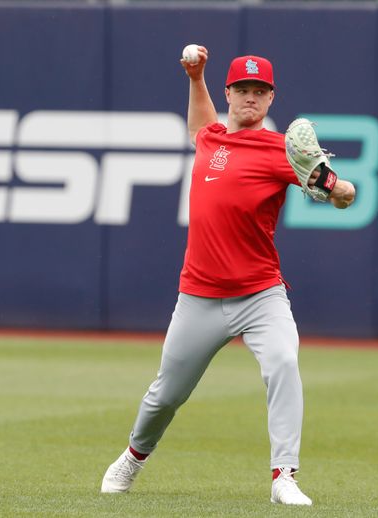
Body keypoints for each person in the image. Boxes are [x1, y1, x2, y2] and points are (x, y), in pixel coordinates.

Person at [100, 46, 356, 506]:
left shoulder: (283, 151)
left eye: (260, 90)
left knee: (283, 363)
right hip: (199, 296)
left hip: (260, 294)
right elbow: (199, 124)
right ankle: (133, 458)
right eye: (242, 89)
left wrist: (334, 186)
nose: (250, 97)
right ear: (230, 93)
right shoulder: (211, 138)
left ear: (271, 98)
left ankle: (284, 477)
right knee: (166, 394)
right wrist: (195, 76)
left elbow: (345, 195)